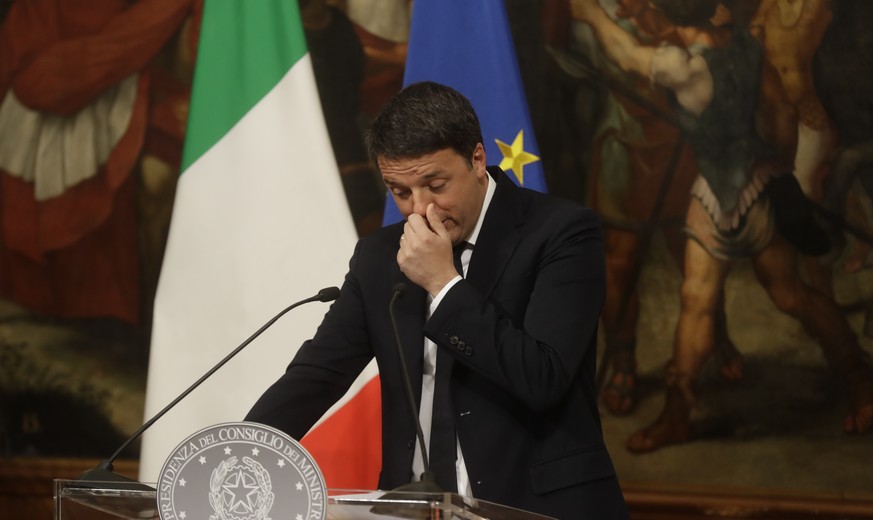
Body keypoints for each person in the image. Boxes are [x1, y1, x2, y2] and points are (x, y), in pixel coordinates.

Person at [246, 81, 629, 519]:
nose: (420, 209)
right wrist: (235, 453)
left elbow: (542, 377)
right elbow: (317, 376)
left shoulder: (562, 233)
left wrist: (443, 284)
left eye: (435, 184)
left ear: (478, 160)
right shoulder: (380, 256)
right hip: (412, 507)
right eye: (400, 191)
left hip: (533, 505)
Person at [570, 0, 873, 453]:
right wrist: (778, 169)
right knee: (740, 296)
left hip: (722, 195)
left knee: (726, 301)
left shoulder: (680, 65)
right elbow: (781, 117)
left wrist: (590, 14)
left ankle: (861, 381)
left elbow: (624, 52)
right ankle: (678, 416)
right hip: (746, 187)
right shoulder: (748, 47)